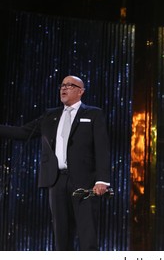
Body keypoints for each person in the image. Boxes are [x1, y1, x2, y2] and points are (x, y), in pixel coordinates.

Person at [0, 75, 110, 250]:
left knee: (87, 234)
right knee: (61, 235)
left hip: (85, 182)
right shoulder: (50, 115)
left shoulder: (93, 113)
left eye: (69, 85)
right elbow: (22, 132)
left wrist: (102, 179)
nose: (63, 88)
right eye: (62, 85)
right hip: (57, 180)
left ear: (81, 91)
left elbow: (102, 148)